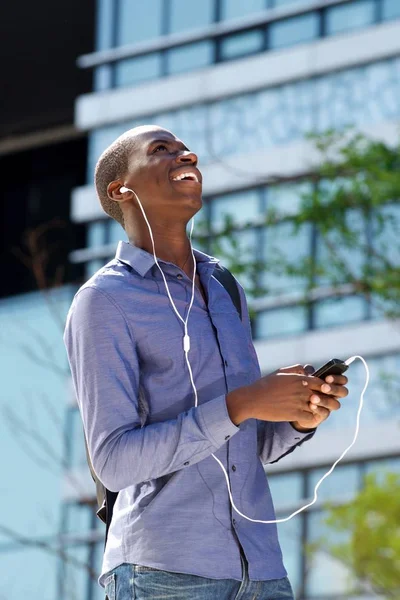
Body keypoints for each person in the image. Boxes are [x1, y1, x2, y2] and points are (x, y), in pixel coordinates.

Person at [63, 125, 349, 600]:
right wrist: (242, 402)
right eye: (162, 150)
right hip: (162, 574)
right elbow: (112, 462)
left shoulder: (224, 288)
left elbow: (244, 449)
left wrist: (299, 417)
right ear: (121, 189)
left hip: (263, 574)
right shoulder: (104, 301)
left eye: (184, 148)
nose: (186, 155)